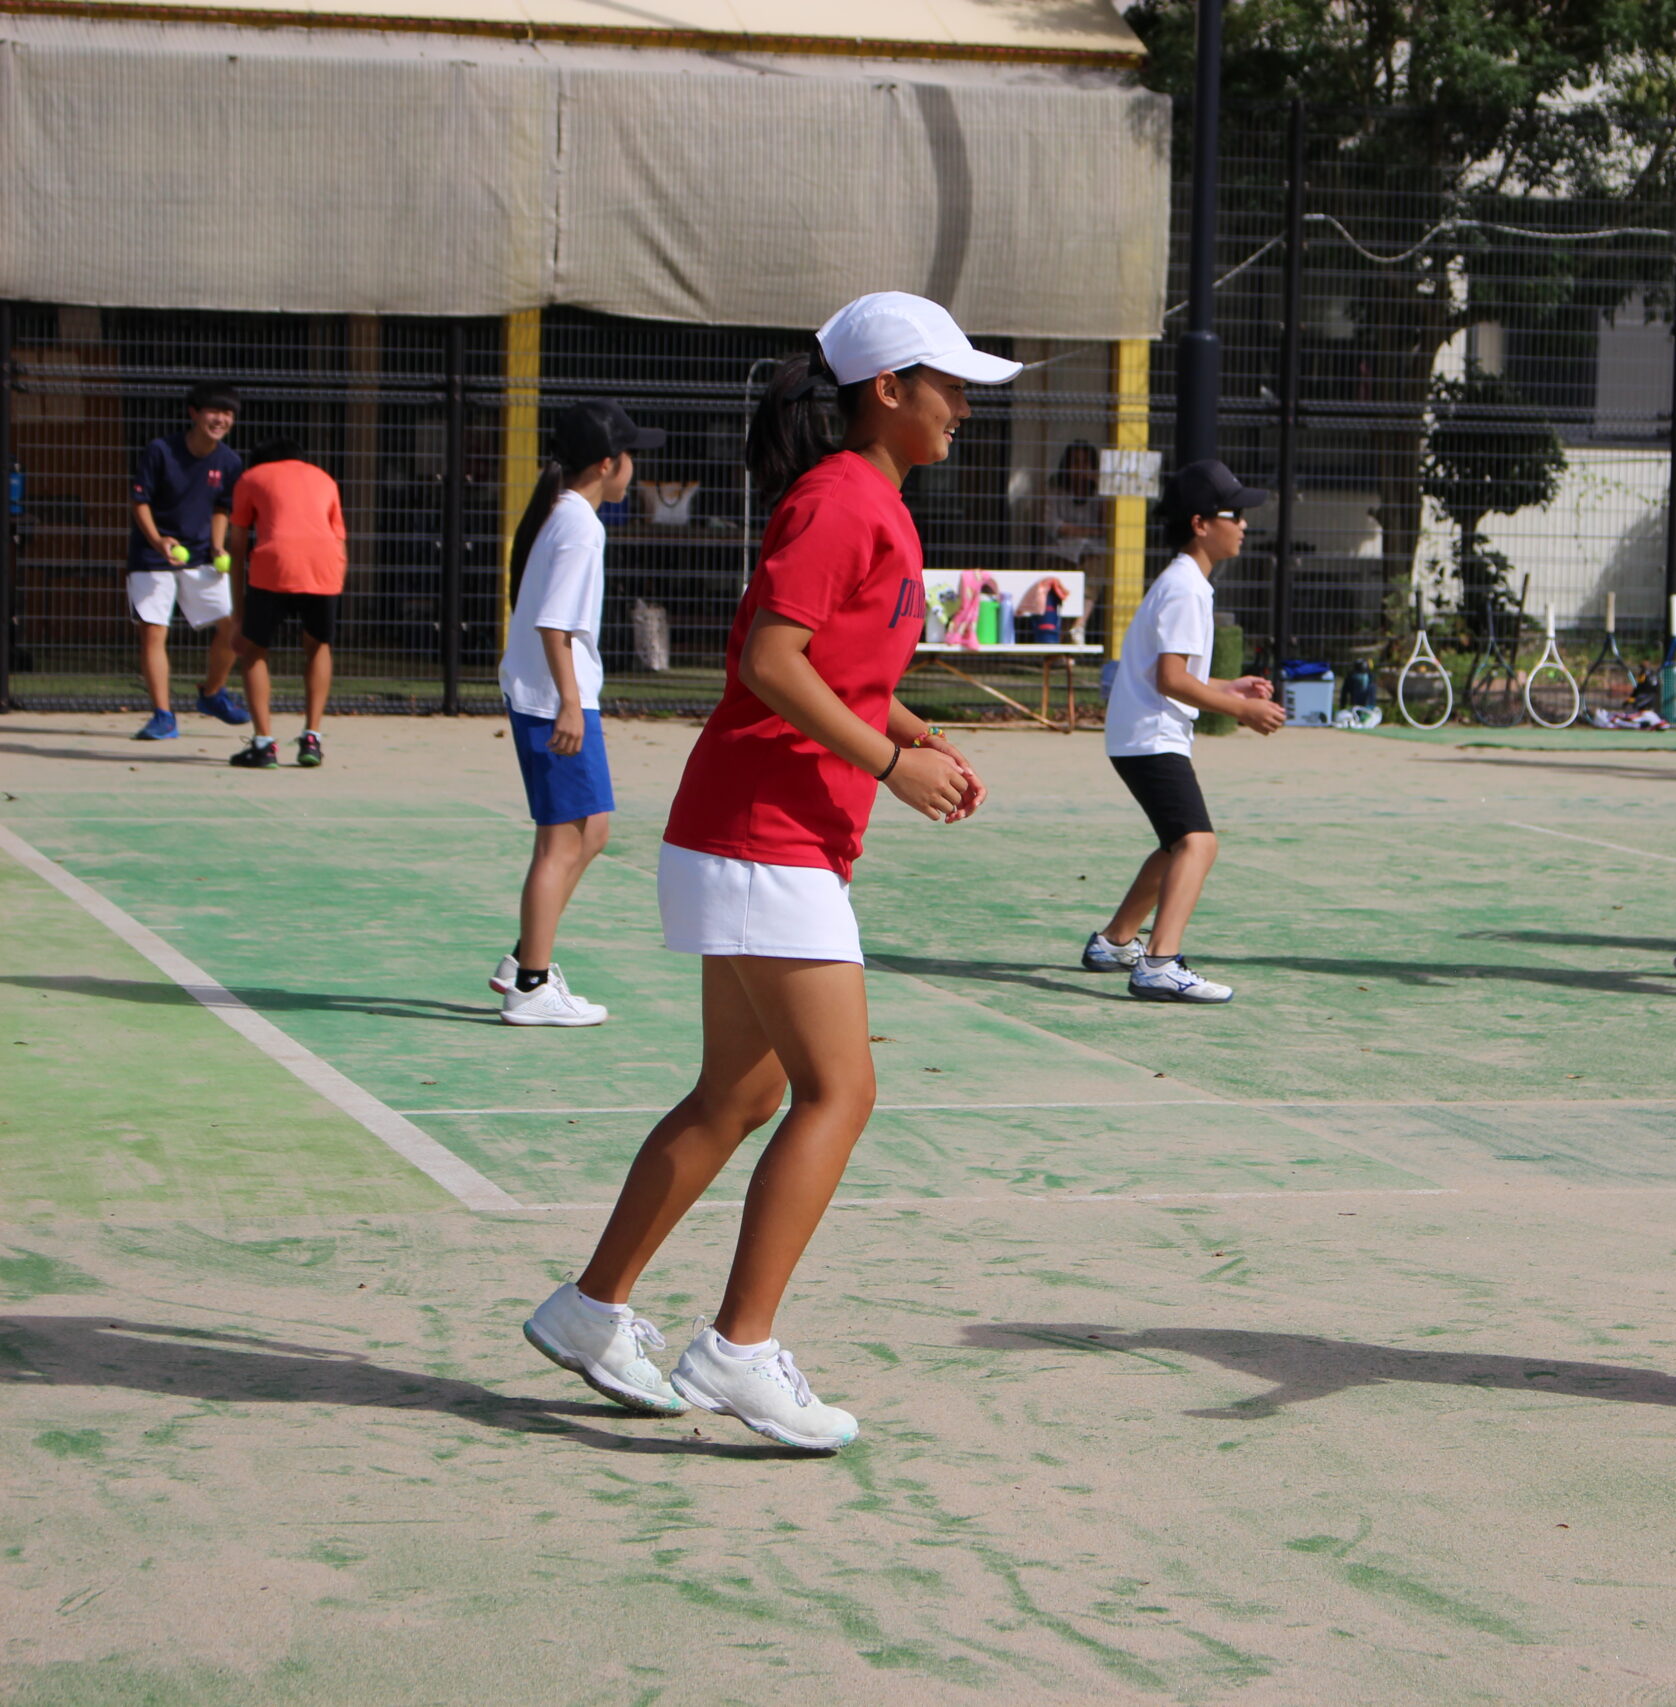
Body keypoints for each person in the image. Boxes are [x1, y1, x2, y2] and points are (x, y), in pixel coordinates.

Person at [521, 292, 1008, 1452]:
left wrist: (911, 731)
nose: (962, 407)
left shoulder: (868, 501)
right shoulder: (843, 499)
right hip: (761, 837)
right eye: (948, 385)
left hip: (755, 836)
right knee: (840, 1091)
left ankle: (590, 1311)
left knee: (738, 1097)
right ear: (886, 389)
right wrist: (888, 761)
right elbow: (770, 661)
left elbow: (836, 670)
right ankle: (739, 1350)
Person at [1081, 459, 1285, 1004]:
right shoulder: (1186, 588)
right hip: (1151, 737)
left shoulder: (1183, 582)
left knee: (1175, 845)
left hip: (1140, 735)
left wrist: (1228, 686)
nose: (1243, 524)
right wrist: (1240, 711)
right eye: (1234, 514)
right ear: (1200, 523)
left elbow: (1169, 672)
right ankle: (1159, 964)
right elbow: (1170, 680)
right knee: (1199, 843)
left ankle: (1114, 943)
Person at [488, 400, 664, 1026]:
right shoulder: (580, 525)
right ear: (608, 463)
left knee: (592, 832)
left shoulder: (564, 513)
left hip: (553, 695)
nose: (635, 467)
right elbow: (553, 623)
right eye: (631, 455)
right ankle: (531, 987)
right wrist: (568, 703)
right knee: (560, 844)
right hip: (553, 701)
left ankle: (522, 959)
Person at [127, 381, 251, 740]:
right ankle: (163, 716)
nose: (221, 419)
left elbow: (221, 508)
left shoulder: (230, 461)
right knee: (154, 632)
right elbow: (140, 502)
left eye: (227, 413)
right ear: (194, 413)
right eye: (214, 411)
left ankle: (212, 694)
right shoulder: (160, 450)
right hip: (151, 557)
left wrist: (217, 546)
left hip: (201, 557)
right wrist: (158, 540)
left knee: (233, 628)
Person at [225, 440, 347, 769]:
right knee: (318, 645)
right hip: (325, 566)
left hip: (274, 565)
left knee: (254, 650)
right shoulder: (324, 478)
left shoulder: (251, 478)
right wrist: (334, 584)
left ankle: (264, 744)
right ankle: (312, 739)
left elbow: (237, 546)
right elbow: (339, 541)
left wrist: (238, 616)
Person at [1038, 439, 1108, 570]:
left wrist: (1100, 485)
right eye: (1075, 462)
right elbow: (1052, 525)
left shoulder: (1099, 496)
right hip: (1060, 554)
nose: (1080, 469)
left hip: (1093, 555)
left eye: (1085, 463)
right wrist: (1092, 532)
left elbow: (1105, 527)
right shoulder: (1054, 494)